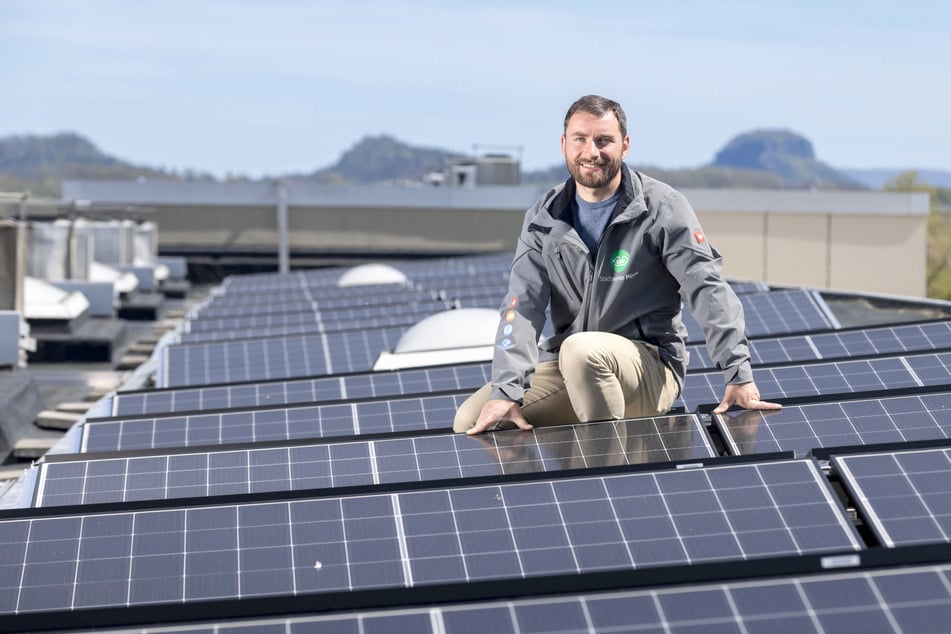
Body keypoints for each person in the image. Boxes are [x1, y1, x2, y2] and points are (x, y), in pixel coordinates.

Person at [454, 94, 781, 435]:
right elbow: (521, 308)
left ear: (624, 146)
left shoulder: (661, 208)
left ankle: (610, 475)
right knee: (472, 421)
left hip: (650, 365)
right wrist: (507, 389)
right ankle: (553, 483)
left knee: (582, 351)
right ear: (564, 144)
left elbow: (707, 288)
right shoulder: (544, 217)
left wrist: (738, 372)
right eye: (580, 139)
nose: (591, 152)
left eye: (604, 140)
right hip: (570, 364)